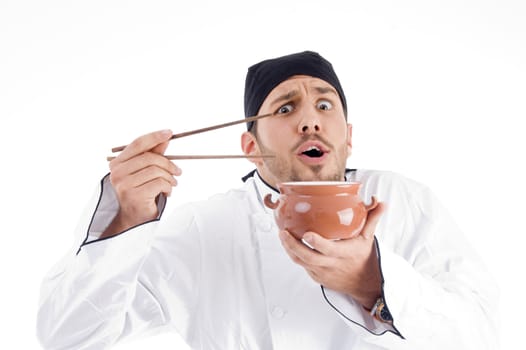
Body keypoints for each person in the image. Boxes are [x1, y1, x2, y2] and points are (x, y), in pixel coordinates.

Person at [37, 51, 498, 349]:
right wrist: (126, 224)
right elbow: (68, 337)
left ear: (348, 137)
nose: (309, 122)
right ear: (250, 147)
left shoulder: (401, 199)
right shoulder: (204, 228)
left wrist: (372, 284)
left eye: (324, 105)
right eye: (284, 108)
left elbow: (482, 336)